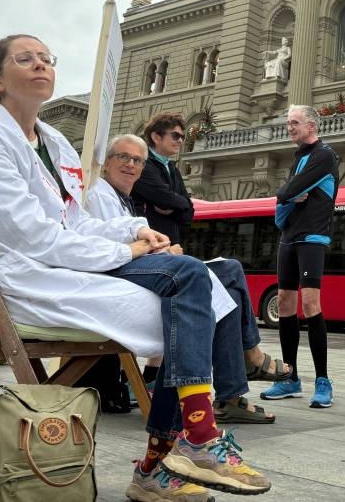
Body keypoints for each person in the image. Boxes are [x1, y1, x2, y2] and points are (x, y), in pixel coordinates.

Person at [0, 35, 270, 501]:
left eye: (47, 59)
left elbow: (75, 223)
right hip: (22, 276)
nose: (40, 65)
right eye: (25, 58)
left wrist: (133, 234)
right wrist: (126, 252)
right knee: (195, 292)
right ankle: (184, 446)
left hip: (68, 266)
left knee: (198, 283)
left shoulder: (54, 142)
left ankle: (179, 451)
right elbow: (28, 235)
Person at [88, 133, 291, 426]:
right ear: (107, 162)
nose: (131, 164)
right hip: (121, 271)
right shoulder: (98, 193)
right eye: (123, 157)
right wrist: (160, 248)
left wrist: (160, 247)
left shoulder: (128, 201)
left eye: (138, 160)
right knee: (198, 271)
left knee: (230, 271)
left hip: (145, 263)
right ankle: (245, 369)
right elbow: (109, 241)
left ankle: (234, 390)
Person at [261, 105, 339, 408]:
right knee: (284, 303)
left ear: (311, 125)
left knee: (310, 303)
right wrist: (290, 194)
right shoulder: (298, 158)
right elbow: (282, 204)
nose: (289, 127)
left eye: (294, 123)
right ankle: (290, 378)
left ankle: (323, 380)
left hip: (312, 238)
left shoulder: (324, 155)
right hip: (288, 239)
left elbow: (286, 192)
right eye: (287, 123)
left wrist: (289, 194)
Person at [132, 112, 193, 244]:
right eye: (175, 135)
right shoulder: (143, 164)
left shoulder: (173, 169)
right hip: (147, 245)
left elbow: (190, 213)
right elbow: (164, 198)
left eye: (182, 137)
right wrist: (182, 204)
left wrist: (173, 211)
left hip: (170, 245)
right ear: (156, 137)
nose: (180, 141)